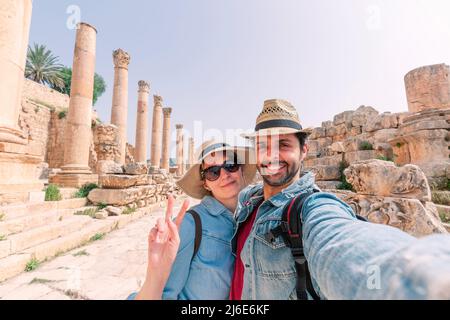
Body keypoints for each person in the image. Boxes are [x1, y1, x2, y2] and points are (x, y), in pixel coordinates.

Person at [133, 140, 257, 300]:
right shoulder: (191, 224)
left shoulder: (252, 217)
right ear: (205, 184)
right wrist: (153, 276)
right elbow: (164, 295)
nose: (225, 175)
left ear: (240, 169)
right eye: (213, 172)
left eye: (230, 165)